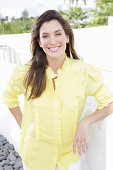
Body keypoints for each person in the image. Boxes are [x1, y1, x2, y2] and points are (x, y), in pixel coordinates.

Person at [2, 9, 113, 170]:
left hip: (70, 158)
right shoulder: (27, 73)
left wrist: (85, 122)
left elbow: (109, 102)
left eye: (58, 34)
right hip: (35, 158)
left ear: (67, 37)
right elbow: (8, 96)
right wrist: (24, 127)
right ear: (39, 42)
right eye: (45, 36)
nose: (52, 41)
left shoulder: (83, 72)